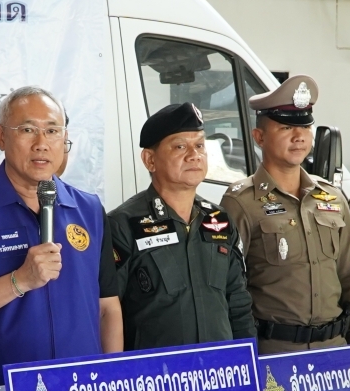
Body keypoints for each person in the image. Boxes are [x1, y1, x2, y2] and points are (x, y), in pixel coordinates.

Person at [0, 86, 122, 368]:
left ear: (65, 138)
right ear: (0, 136)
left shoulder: (89, 209)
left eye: (52, 131)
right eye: (27, 130)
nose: (41, 143)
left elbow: (107, 308)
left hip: (82, 383)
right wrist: (21, 280)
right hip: (3, 385)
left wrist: (112, 374)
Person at [221, 75, 350, 354]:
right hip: (274, 353)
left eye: (305, 126)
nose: (299, 137)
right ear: (259, 137)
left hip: (333, 350)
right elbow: (228, 290)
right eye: (286, 127)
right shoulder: (241, 202)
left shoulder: (333, 198)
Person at [107, 103, 254, 349]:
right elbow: (107, 312)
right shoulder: (124, 224)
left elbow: (238, 304)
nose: (194, 155)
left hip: (219, 367)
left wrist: (248, 362)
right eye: (180, 146)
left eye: (200, 145)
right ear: (150, 160)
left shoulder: (219, 219)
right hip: (156, 370)